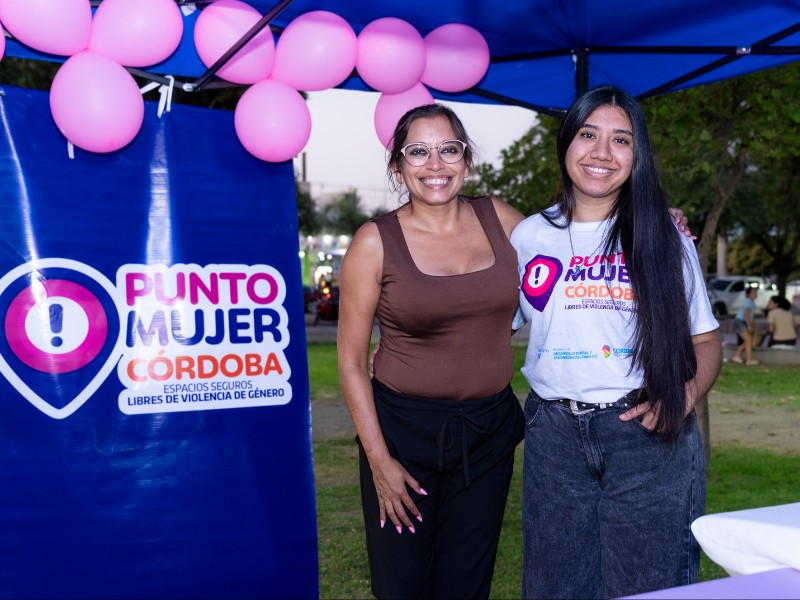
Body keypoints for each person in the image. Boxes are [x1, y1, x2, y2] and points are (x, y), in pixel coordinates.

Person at [510, 86, 722, 599]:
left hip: (646, 435)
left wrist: (683, 397)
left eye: (620, 139)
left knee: (650, 588)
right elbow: (488, 325)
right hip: (553, 437)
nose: (602, 152)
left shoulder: (664, 237)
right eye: (588, 134)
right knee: (554, 588)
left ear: (637, 154)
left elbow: (707, 343)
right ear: (566, 143)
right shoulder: (528, 237)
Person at [337, 103, 527, 599]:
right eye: (418, 152)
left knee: (467, 585)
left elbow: (580, 249)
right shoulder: (373, 242)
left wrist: (655, 221)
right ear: (397, 167)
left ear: (467, 160)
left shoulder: (504, 220)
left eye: (448, 150)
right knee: (403, 586)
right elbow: (352, 362)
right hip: (402, 436)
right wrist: (379, 460)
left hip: (487, 436)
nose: (435, 164)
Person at [731, 287, 759, 364]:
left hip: (743, 322)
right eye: (753, 292)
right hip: (741, 321)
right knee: (748, 340)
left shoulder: (751, 303)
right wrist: (749, 326)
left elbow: (751, 317)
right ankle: (749, 360)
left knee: (748, 340)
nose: (755, 294)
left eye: (756, 292)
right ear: (749, 294)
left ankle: (737, 356)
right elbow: (746, 315)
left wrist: (753, 326)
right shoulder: (748, 302)